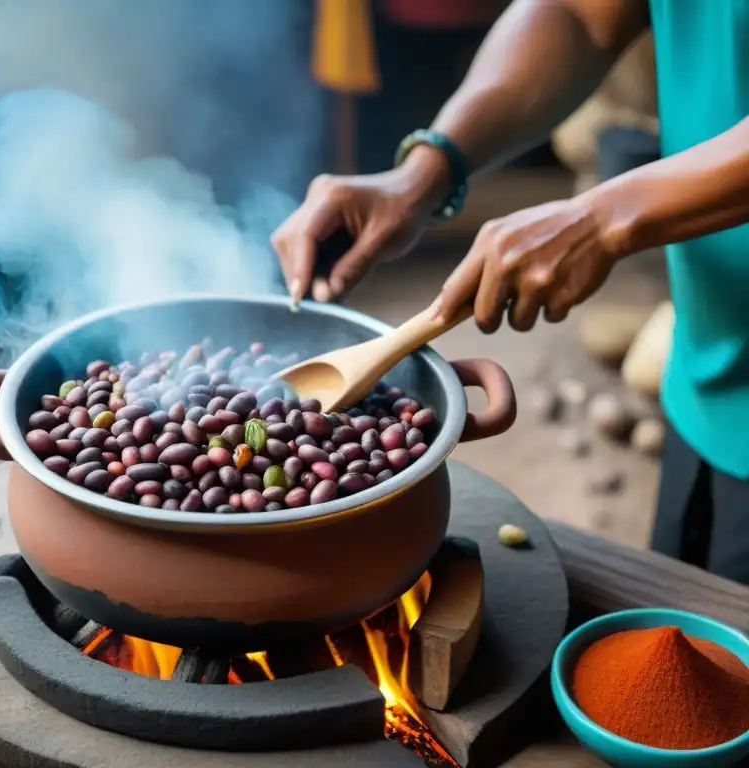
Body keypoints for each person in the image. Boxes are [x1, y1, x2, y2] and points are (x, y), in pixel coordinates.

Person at [271, 0, 749, 585]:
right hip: (708, 357)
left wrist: (604, 217)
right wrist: (427, 169)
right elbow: (578, 14)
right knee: (685, 636)